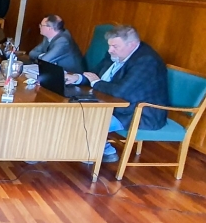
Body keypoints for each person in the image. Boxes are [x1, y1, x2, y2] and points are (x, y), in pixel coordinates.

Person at [65, 25, 169, 163]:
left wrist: (95, 82)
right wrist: (77, 78)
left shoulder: (146, 60)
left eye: (115, 46)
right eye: (109, 46)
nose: (109, 50)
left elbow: (120, 91)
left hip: (140, 113)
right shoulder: (115, 53)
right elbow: (95, 75)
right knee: (70, 113)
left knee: (84, 122)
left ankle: (96, 152)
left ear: (132, 44)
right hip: (115, 104)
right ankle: (105, 149)